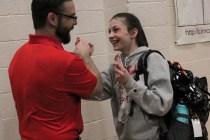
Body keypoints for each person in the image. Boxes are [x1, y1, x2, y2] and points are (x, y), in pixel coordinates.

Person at [8, 0, 102, 140]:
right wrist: (86, 57)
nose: (75, 23)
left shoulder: (18, 57)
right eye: (72, 17)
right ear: (52, 19)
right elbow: (97, 89)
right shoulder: (67, 62)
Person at [90, 12, 173, 140]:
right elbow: (96, 90)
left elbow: (161, 105)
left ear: (133, 33)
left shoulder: (153, 59)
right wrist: (85, 60)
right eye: (109, 31)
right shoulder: (117, 65)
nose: (110, 36)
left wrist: (129, 82)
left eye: (116, 30)